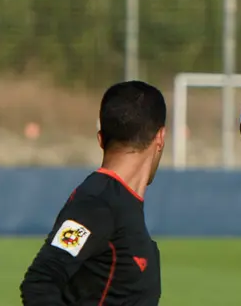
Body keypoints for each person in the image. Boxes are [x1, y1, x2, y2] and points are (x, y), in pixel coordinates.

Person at [20, 80, 167, 305]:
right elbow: (41, 282)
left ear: (101, 138)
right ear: (160, 137)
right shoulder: (96, 204)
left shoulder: (120, 204)